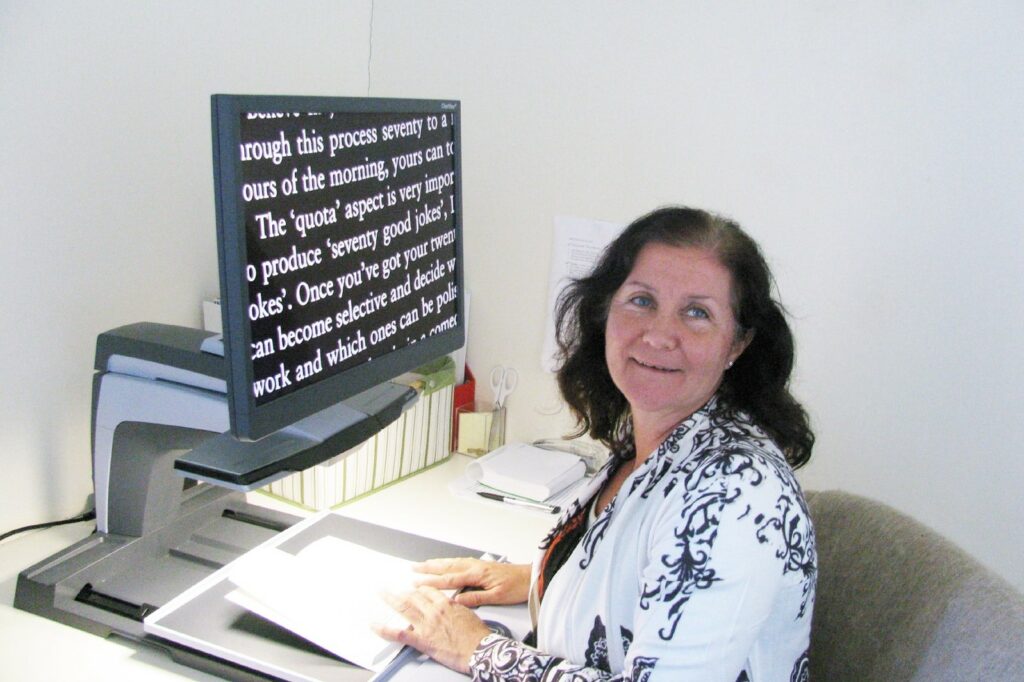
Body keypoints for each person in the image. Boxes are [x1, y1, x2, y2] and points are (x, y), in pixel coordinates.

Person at [375, 206, 817, 681]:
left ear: (737, 343)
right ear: (606, 310)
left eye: (697, 312)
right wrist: (544, 578)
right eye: (642, 301)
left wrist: (478, 650)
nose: (659, 334)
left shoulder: (734, 495)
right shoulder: (661, 436)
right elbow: (641, 563)